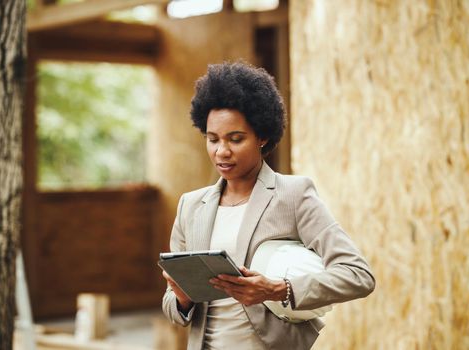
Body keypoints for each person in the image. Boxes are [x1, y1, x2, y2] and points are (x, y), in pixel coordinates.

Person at [161, 61, 375, 350]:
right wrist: (182, 298)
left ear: (262, 136)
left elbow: (358, 275)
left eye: (236, 139)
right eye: (212, 139)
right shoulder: (191, 206)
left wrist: (279, 289)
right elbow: (173, 307)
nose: (222, 151)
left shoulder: (293, 195)